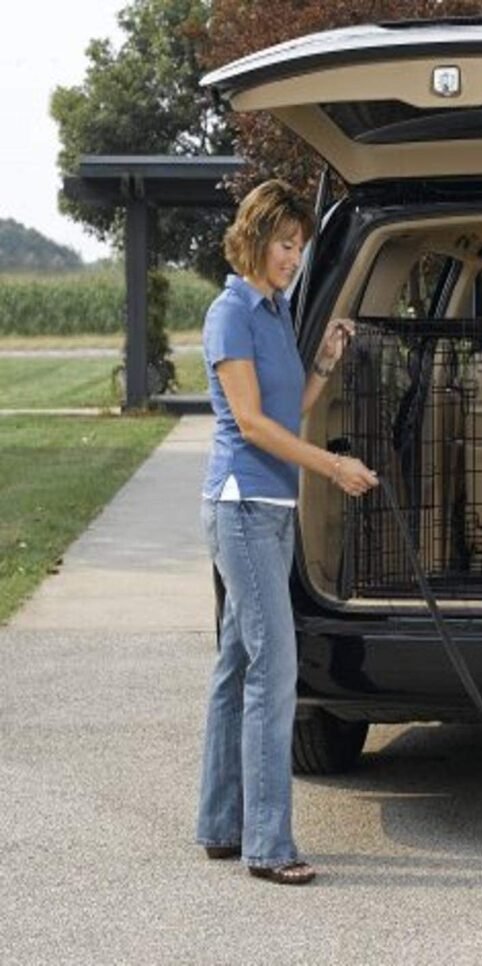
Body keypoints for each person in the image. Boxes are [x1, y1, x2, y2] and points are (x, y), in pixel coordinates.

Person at [195, 179, 377, 885]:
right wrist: (333, 467)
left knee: (238, 665)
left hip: (273, 512)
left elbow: (288, 408)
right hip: (239, 507)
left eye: (299, 247)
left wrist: (325, 361)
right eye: (285, 244)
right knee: (275, 671)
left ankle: (219, 825)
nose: (294, 258)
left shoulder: (275, 312)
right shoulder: (231, 313)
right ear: (255, 238)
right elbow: (252, 425)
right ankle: (267, 846)